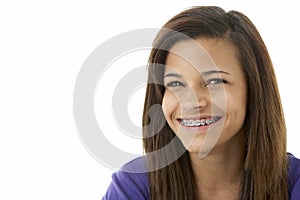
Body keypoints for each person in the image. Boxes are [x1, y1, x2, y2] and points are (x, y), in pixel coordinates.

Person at [102, 6, 300, 200]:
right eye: (176, 83)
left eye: (215, 81)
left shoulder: (294, 184)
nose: (191, 102)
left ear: (254, 89)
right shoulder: (132, 186)